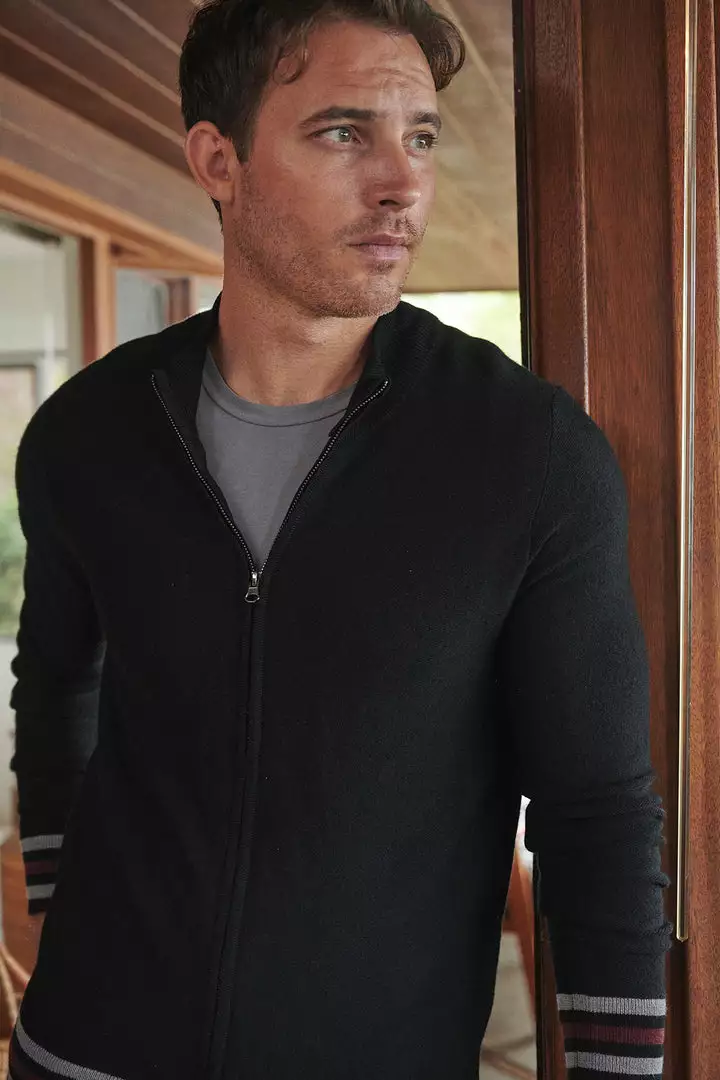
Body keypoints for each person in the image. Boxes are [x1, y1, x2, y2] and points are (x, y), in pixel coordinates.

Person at [8, 1, 672, 1078]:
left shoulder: (529, 454)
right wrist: (57, 903)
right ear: (218, 160)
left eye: (421, 136)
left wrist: (617, 1068)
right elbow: (54, 682)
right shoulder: (86, 433)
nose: (402, 182)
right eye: (343, 132)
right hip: (83, 1051)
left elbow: (595, 808)